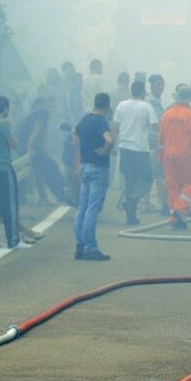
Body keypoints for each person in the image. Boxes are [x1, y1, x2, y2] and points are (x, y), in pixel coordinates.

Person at [0, 96, 30, 250]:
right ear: (5, 108)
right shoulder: (3, 123)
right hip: (3, 167)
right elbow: (14, 144)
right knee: (9, 204)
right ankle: (13, 240)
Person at [158, 85, 191, 229]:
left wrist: (160, 156)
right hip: (184, 154)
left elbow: (161, 138)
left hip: (168, 154)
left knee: (173, 186)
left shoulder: (166, 114)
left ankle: (175, 218)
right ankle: (180, 208)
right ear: (190, 98)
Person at [74, 92, 115, 261]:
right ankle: (91, 248)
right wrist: (105, 150)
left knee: (82, 208)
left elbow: (74, 133)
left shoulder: (85, 119)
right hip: (98, 167)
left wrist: (81, 151)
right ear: (107, 106)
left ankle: (80, 246)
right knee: (93, 209)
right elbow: (110, 140)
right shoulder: (100, 121)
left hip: (84, 165)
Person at [111, 80, 157, 226]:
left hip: (124, 148)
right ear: (143, 92)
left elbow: (115, 127)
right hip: (140, 149)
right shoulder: (147, 106)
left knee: (130, 181)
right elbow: (156, 126)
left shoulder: (121, 105)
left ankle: (130, 218)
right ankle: (132, 200)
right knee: (147, 178)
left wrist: (112, 145)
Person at [17, 95, 66, 206]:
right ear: (46, 103)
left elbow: (42, 135)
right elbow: (36, 129)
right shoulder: (42, 111)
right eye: (51, 104)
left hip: (29, 146)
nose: (53, 107)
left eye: (54, 105)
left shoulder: (40, 112)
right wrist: (29, 147)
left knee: (47, 167)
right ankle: (61, 193)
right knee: (50, 167)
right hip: (30, 147)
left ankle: (51, 196)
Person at [145, 74, 169, 215]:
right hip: (153, 140)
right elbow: (156, 124)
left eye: (162, 84)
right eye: (158, 84)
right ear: (152, 86)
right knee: (156, 174)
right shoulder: (150, 102)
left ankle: (149, 203)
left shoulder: (158, 101)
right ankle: (157, 203)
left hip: (157, 140)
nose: (160, 87)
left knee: (153, 173)